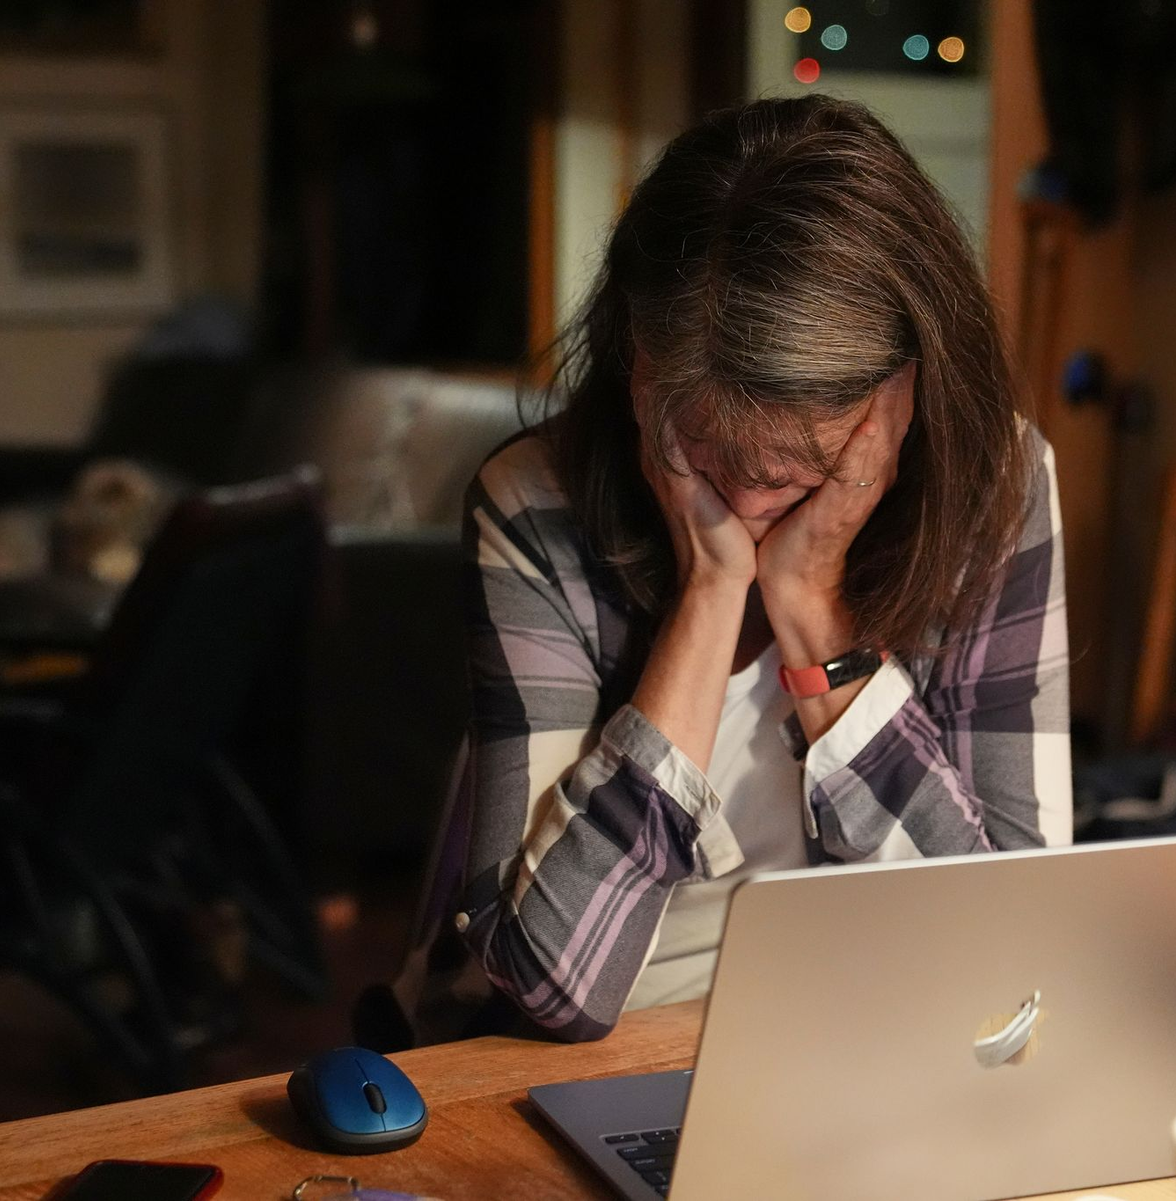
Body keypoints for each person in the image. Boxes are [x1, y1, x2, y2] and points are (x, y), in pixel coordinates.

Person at [455, 95, 1071, 1043]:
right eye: (704, 456)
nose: (742, 509)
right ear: (640, 369)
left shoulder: (994, 487)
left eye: (792, 478)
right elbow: (547, 984)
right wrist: (709, 594)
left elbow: (1006, 951)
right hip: (593, 1054)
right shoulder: (535, 503)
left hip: (866, 1039)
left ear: (901, 392)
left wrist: (811, 606)